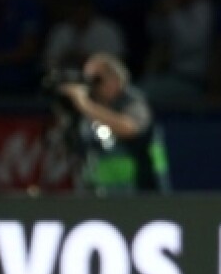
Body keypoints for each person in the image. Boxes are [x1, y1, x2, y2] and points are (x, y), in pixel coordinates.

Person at [56, 52, 170, 195]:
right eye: (88, 80)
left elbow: (129, 128)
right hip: (103, 194)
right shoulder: (90, 108)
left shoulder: (134, 102)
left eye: (97, 80)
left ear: (115, 80)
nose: (92, 87)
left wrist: (84, 104)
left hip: (142, 191)